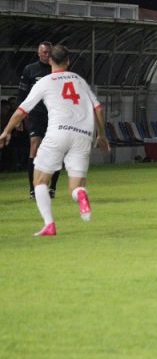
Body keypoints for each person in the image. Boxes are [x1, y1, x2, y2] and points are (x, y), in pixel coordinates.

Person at [0, 44, 110, 236]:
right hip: (83, 135)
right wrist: (101, 135)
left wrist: (6, 130)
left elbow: (22, 110)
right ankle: (80, 195)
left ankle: (49, 224)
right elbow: (98, 109)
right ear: (68, 62)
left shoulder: (44, 82)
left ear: (50, 60)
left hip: (58, 133)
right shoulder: (79, 80)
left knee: (40, 181)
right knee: (76, 186)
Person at [19, 41, 60, 199]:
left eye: (49, 52)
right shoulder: (30, 69)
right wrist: (19, 118)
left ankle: (52, 188)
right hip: (36, 115)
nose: (47, 55)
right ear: (38, 53)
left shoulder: (57, 70)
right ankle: (32, 189)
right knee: (34, 149)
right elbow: (22, 95)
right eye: (44, 52)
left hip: (55, 115)